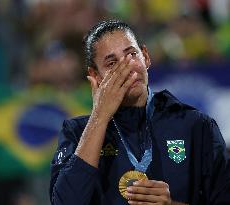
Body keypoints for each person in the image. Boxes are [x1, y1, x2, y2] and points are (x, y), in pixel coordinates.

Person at [49, 20, 230, 205]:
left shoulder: (196, 126)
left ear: (146, 57)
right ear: (95, 76)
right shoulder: (76, 133)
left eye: (132, 54)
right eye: (112, 63)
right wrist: (99, 117)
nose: (127, 68)